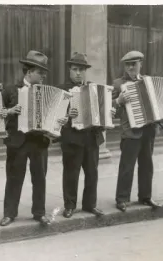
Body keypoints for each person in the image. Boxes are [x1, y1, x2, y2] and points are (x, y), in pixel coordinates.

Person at [112, 50, 163, 212]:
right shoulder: (118, 84)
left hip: (148, 131)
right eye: (127, 65)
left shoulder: (148, 81)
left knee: (147, 165)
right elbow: (111, 111)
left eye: (133, 64)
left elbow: (159, 106)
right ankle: (121, 198)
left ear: (140, 64)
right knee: (127, 167)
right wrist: (118, 101)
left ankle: (145, 197)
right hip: (130, 132)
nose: (130, 68)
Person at [57, 52, 116, 218]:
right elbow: (55, 116)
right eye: (75, 69)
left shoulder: (95, 88)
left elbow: (103, 112)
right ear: (69, 70)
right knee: (71, 173)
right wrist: (68, 113)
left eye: (81, 70)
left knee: (92, 173)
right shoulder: (62, 90)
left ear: (85, 71)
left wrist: (109, 112)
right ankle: (69, 206)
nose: (78, 73)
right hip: (71, 139)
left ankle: (90, 205)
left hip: (91, 138)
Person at [0, 50, 51, 227]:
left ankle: (39, 212)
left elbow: (54, 116)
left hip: (39, 142)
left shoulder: (47, 92)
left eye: (44, 72)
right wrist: (10, 111)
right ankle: (9, 213)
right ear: (29, 72)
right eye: (40, 72)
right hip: (17, 142)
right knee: (14, 178)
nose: (43, 76)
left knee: (40, 178)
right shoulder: (10, 89)